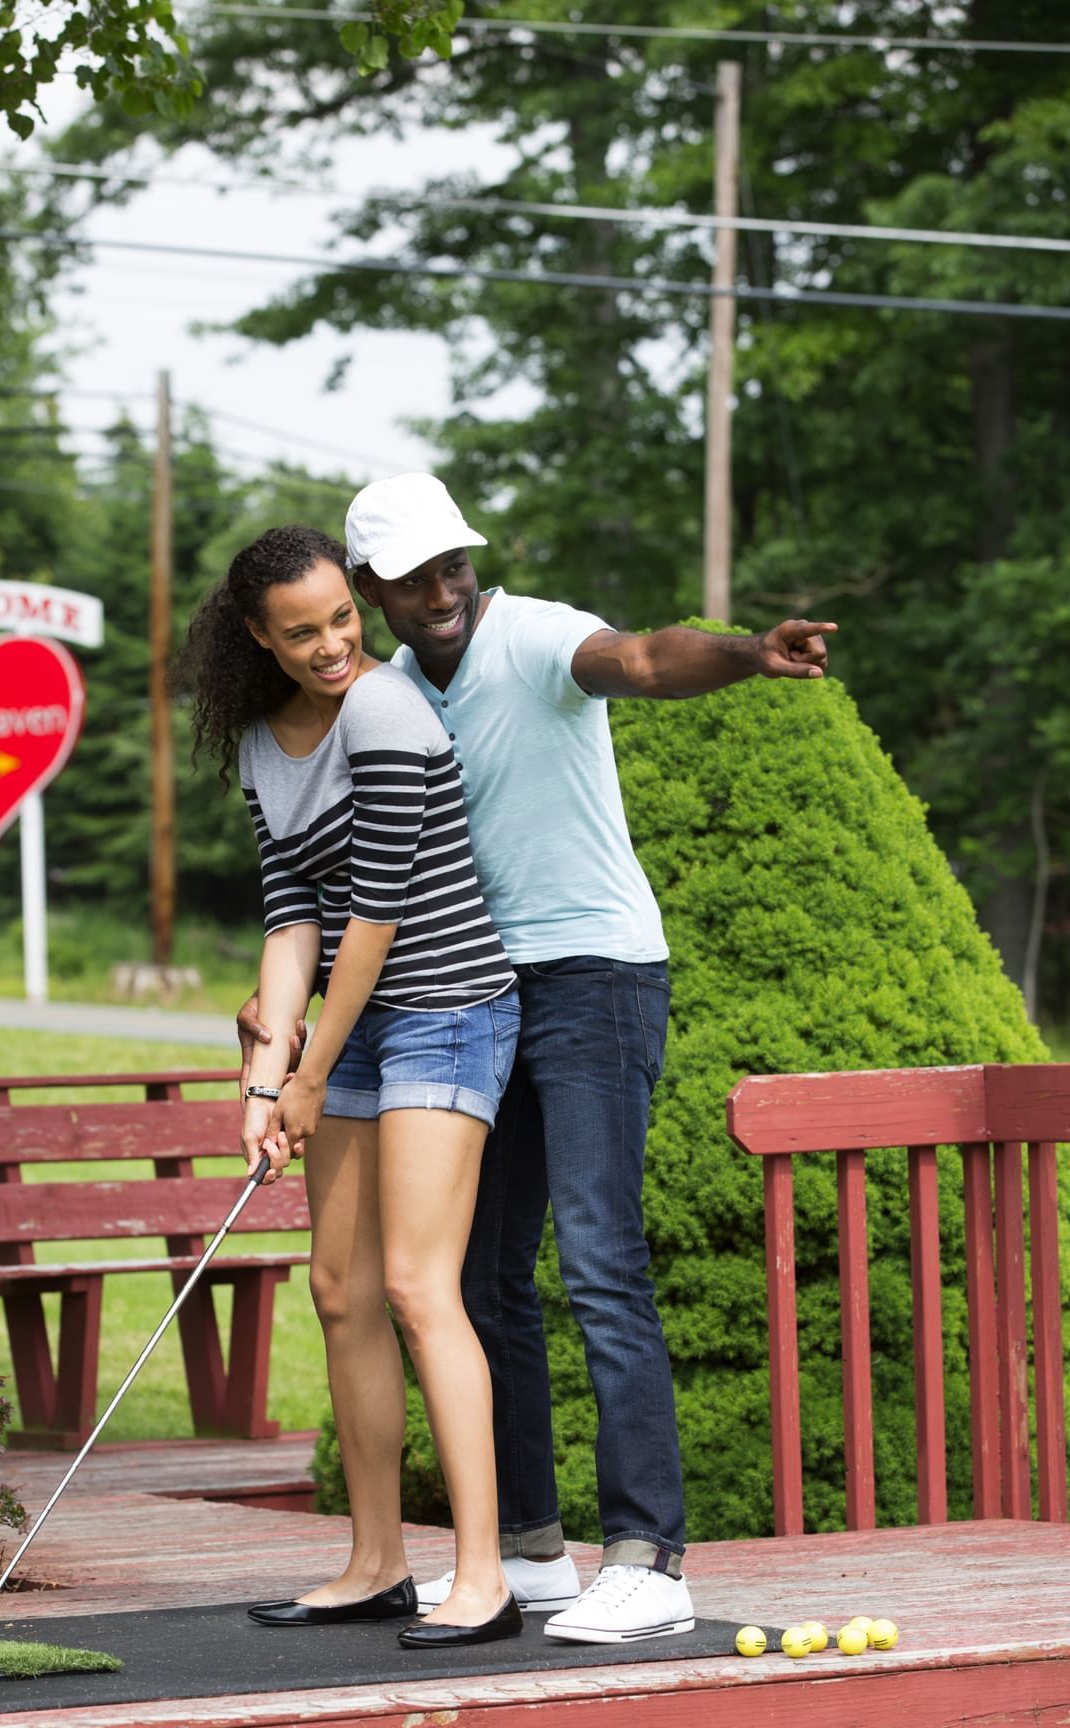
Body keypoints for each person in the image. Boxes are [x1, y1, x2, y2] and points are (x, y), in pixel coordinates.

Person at [240, 475, 833, 1646]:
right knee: (476, 1280)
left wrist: (748, 654)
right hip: (476, 992)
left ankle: (649, 1557)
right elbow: (318, 888)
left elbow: (648, 661)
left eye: (452, 563)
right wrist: (275, 1031)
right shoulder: (382, 693)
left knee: (600, 1257)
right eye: (411, 577)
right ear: (371, 594)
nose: (442, 588)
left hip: (595, 975)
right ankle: (527, 1548)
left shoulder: (530, 632)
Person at [184, 523, 524, 1650]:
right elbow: (291, 914)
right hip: (349, 1025)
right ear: (255, 637)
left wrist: (305, 1076)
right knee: (341, 1288)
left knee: (424, 1289)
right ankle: (376, 1562)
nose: (334, 645)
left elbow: (371, 914)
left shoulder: (386, 709)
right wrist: (264, 1070)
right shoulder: (258, 743)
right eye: (302, 632)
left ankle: (480, 1578)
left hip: (442, 1011)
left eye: (341, 618)